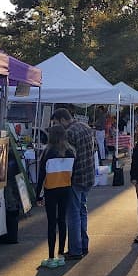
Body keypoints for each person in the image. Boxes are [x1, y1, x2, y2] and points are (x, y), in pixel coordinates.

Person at [50, 109, 96, 260]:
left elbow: (66, 156)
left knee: (74, 214)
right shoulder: (86, 127)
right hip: (88, 175)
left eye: (56, 122)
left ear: (62, 119)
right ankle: (83, 245)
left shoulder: (69, 133)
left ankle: (75, 250)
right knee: (82, 211)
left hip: (75, 177)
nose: (57, 126)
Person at [35, 125, 75, 269]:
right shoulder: (71, 152)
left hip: (50, 190)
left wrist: (37, 196)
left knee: (52, 223)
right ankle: (61, 255)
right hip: (66, 189)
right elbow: (73, 174)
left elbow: (41, 177)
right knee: (62, 221)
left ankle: (51, 257)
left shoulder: (47, 153)